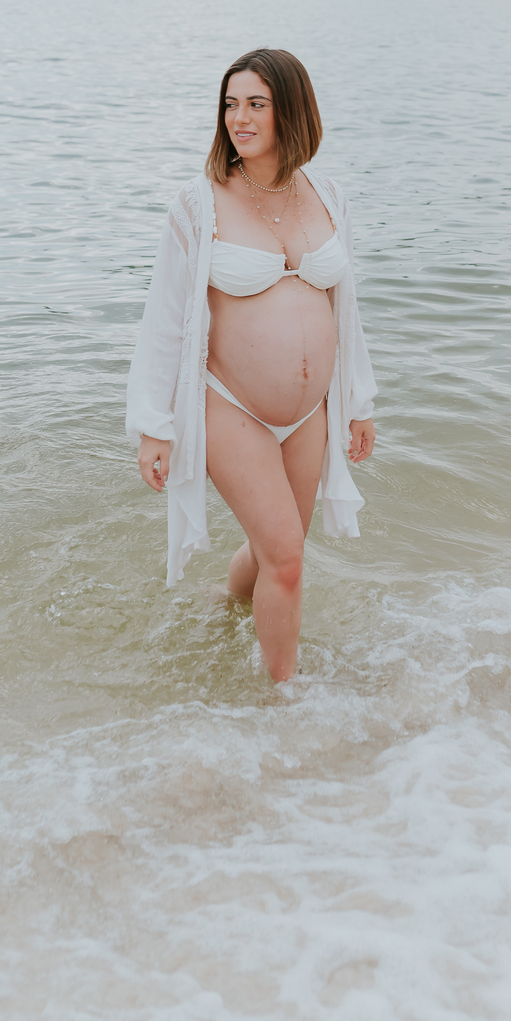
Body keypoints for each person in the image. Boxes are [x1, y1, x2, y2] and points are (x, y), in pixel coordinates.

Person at [126, 48, 377, 681]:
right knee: (288, 557)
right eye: (231, 104)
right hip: (228, 403)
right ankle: (283, 706)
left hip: (310, 413)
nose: (239, 118)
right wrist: (155, 423)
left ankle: (227, 606)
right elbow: (166, 317)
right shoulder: (199, 204)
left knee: (277, 551)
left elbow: (344, 306)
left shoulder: (329, 196)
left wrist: (358, 401)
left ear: (291, 110)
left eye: (256, 104)